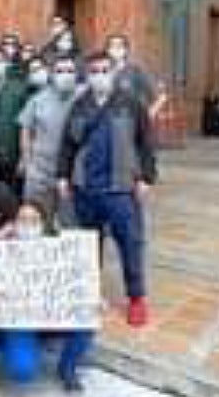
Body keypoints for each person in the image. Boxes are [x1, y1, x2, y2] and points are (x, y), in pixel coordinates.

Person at [58, 52, 157, 327]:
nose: (99, 75)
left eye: (104, 70)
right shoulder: (80, 105)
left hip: (120, 188)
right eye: (94, 71)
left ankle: (136, 298)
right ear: (87, 75)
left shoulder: (130, 103)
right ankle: (90, 293)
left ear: (113, 73)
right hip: (85, 187)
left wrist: (146, 177)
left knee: (130, 243)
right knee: (89, 245)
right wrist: (62, 176)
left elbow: (146, 142)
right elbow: (68, 144)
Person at [0, 201, 94, 393]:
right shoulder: (0, 252)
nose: (28, 225)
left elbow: (78, 283)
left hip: (52, 316)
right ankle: (5, 344)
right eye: (22, 220)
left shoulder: (59, 252)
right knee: (22, 372)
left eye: (34, 220)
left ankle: (68, 368)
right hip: (19, 321)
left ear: (42, 225)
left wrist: (92, 297)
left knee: (87, 316)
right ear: (14, 224)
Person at [19, 56, 80, 227]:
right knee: (37, 221)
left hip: (72, 172)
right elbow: (26, 130)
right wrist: (27, 161)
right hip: (40, 171)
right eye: (59, 71)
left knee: (71, 223)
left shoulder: (84, 98)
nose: (65, 75)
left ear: (76, 74)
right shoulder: (37, 100)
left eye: (69, 71)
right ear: (52, 74)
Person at [0, 51, 28, 188]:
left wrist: (24, 156)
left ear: (6, 64)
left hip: (12, 152)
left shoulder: (19, 89)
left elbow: (25, 125)